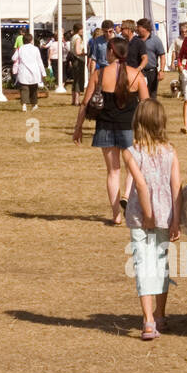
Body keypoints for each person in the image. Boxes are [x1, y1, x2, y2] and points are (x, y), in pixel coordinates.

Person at [122, 99, 180, 339]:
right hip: (166, 215)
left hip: (141, 218)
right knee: (161, 264)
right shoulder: (170, 151)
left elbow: (141, 185)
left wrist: (147, 214)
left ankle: (147, 321)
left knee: (142, 266)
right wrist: (176, 219)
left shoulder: (131, 153)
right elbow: (177, 186)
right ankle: (161, 314)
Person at [74, 39, 149, 224]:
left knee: (113, 171)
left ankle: (116, 215)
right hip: (129, 128)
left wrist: (78, 128)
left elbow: (85, 103)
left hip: (105, 126)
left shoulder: (99, 74)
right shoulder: (136, 74)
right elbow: (147, 104)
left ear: (111, 52)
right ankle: (126, 196)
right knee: (134, 168)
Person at [12, 32, 46, 110]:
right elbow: (39, 61)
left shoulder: (20, 48)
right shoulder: (35, 49)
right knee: (34, 89)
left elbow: (13, 58)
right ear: (31, 40)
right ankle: (34, 104)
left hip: (23, 71)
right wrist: (43, 72)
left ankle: (24, 105)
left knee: (24, 88)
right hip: (35, 71)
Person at [137, 19, 163, 97]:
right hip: (139, 71)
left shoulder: (155, 40)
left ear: (145, 28)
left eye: (138, 27)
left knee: (152, 95)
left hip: (151, 72)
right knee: (140, 95)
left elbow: (162, 55)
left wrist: (161, 70)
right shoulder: (136, 40)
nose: (137, 29)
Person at [68, 23, 87, 105]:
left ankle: (73, 100)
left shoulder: (73, 37)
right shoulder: (78, 38)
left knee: (75, 80)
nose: (83, 31)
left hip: (73, 60)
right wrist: (86, 53)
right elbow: (78, 51)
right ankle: (77, 100)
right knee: (79, 80)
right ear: (78, 30)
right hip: (78, 60)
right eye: (82, 29)